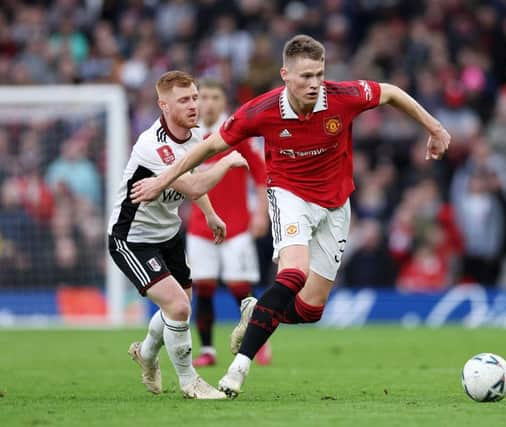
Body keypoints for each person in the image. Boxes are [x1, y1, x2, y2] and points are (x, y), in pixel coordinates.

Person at [131, 35, 451, 398]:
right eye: (305, 77)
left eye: (319, 74)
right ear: (285, 75)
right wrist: (162, 180)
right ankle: (239, 368)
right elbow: (209, 146)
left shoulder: (343, 97)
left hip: (336, 204)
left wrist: (434, 127)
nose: (314, 84)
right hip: (289, 195)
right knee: (293, 273)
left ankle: (256, 311)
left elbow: (391, 91)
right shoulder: (260, 111)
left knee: (310, 309)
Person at [107, 70, 248, 400]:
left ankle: (145, 353)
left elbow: (194, 177)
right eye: (184, 100)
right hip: (132, 238)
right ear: (164, 105)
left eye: (195, 97)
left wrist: (210, 215)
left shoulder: (194, 137)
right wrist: (226, 163)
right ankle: (189, 382)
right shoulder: (152, 146)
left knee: (177, 306)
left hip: (168, 234)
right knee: (179, 306)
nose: (193, 105)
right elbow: (195, 183)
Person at [186, 79, 272, 367]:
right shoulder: (189, 135)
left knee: (240, 288)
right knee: (204, 287)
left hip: (236, 227)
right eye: (204, 97)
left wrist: (261, 213)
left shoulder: (237, 133)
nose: (208, 103)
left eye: (214, 97)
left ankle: (258, 342)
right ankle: (208, 350)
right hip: (200, 227)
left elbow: (261, 175)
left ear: (224, 102)